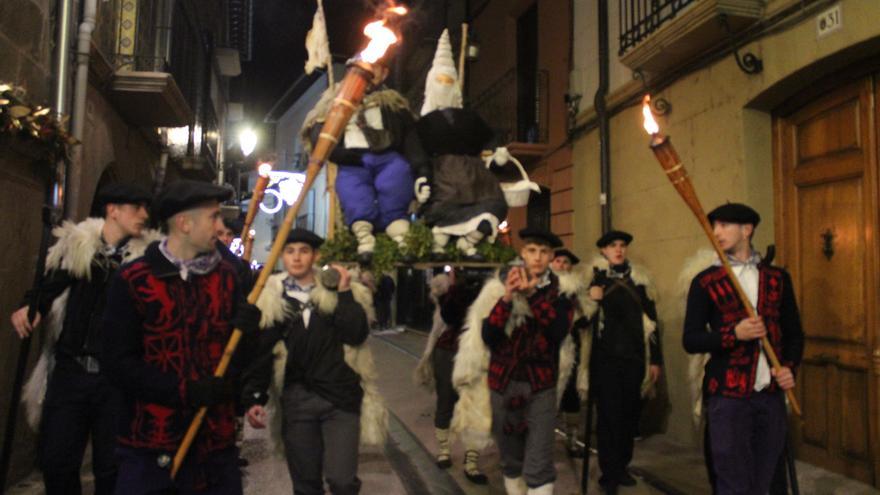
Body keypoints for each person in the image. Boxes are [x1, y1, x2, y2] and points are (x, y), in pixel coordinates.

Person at [102, 180, 262, 494]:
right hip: (151, 447)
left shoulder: (228, 278)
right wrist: (184, 391)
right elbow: (118, 363)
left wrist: (249, 334)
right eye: (213, 217)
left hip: (215, 443)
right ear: (184, 223)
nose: (220, 227)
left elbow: (237, 361)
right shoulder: (134, 279)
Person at [10, 183, 155, 495]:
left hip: (116, 380)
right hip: (71, 371)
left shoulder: (146, 260)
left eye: (146, 207)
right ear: (112, 211)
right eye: (135, 207)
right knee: (57, 462)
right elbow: (49, 286)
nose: (143, 214)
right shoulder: (80, 247)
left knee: (112, 468)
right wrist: (31, 307)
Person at [241, 228, 387, 495]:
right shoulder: (271, 296)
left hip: (340, 397)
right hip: (297, 400)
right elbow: (261, 352)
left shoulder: (339, 289)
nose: (296, 258)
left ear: (316, 256)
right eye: (290, 251)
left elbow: (356, 335)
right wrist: (254, 397)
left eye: (304, 251)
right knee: (306, 485)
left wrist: (344, 294)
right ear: (282, 256)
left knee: (343, 482)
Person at [683, 203, 804, 495]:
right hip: (728, 398)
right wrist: (732, 334)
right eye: (714, 227)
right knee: (732, 483)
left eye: (724, 225)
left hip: (770, 396)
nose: (716, 232)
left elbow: (795, 334)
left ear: (747, 229)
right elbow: (692, 339)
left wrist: (789, 367)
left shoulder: (777, 278)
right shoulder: (705, 282)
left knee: (767, 480)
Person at [452, 228, 583, 495]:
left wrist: (534, 295)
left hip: (541, 386)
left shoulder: (562, 292)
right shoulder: (499, 286)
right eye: (532, 251)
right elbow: (488, 335)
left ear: (550, 257)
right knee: (511, 458)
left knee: (539, 461)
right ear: (522, 253)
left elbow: (558, 331)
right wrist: (508, 298)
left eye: (544, 252)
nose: (537, 257)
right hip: (503, 383)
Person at [587, 230, 662, 494]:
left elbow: (652, 323)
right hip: (605, 360)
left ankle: (623, 466)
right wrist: (591, 300)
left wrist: (656, 360)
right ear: (603, 252)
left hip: (634, 359)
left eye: (622, 246)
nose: (618, 250)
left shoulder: (640, 281)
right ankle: (609, 473)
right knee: (609, 417)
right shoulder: (595, 280)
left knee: (630, 416)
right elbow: (584, 323)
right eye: (612, 246)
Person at [414, 269, 488, 483]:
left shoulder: (489, 289)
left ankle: (472, 461)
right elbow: (448, 315)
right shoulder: (448, 292)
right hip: (448, 351)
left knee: (474, 405)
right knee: (445, 399)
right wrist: (458, 288)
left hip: (476, 352)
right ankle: (444, 450)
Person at [550, 248, 590, 458]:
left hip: (572, 348)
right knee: (549, 396)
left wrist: (584, 319)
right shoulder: (545, 288)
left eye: (566, 262)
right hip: (550, 350)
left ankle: (572, 439)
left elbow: (585, 311)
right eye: (558, 261)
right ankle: (543, 442)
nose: (562, 266)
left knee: (571, 396)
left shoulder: (576, 290)